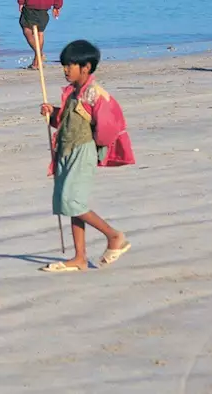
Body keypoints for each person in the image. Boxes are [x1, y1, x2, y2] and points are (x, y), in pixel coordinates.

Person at [39, 40, 135, 273]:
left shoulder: (95, 94)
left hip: (83, 151)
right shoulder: (73, 93)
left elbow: (108, 127)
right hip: (66, 150)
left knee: (73, 202)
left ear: (86, 67)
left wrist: (96, 145)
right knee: (69, 202)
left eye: (69, 66)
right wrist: (52, 114)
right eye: (64, 66)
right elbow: (64, 123)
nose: (65, 70)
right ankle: (80, 257)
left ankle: (114, 236)